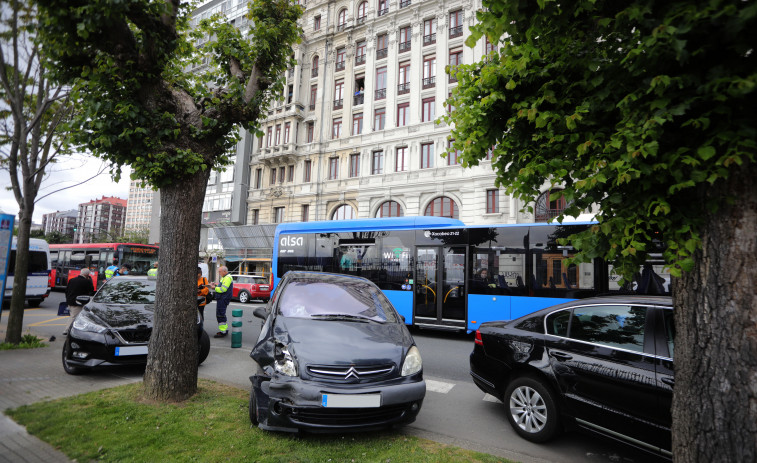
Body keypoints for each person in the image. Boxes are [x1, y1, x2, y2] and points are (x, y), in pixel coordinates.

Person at [64, 268, 94, 335]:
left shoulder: (72, 280)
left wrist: (68, 299)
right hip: (78, 303)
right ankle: (67, 330)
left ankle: (74, 330)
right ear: (87, 275)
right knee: (74, 317)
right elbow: (91, 290)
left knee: (73, 315)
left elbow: (66, 291)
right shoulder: (87, 281)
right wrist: (90, 280)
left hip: (70, 301)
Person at [210, 266, 234, 338]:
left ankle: (223, 332)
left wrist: (214, 288)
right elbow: (222, 285)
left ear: (224, 271)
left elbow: (223, 289)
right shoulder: (225, 277)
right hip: (222, 298)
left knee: (220, 315)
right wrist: (216, 284)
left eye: (220, 271)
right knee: (221, 314)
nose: (219, 273)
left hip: (223, 298)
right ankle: (224, 330)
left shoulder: (227, 278)